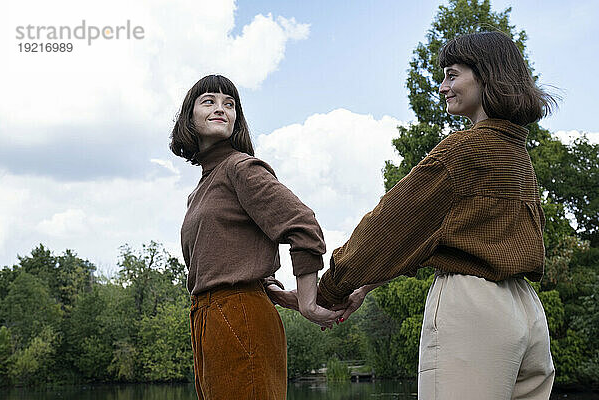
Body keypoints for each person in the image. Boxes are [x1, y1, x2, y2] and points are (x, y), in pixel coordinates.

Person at [317, 31, 556, 399]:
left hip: (472, 310)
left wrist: (329, 290)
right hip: (526, 311)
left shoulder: (463, 150)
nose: (442, 86)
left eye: (452, 74)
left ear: (486, 76)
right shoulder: (515, 152)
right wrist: (365, 286)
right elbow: (443, 237)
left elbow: (388, 228)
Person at [170, 74, 343, 400]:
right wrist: (276, 291)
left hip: (239, 315)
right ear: (188, 117)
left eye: (229, 104)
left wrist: (307, 300)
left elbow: (302, 225)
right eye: (209, 101)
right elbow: (230, 256)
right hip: (207, 319)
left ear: (237, 120)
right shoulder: (199, 192)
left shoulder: (241, 168)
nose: (221, 108)